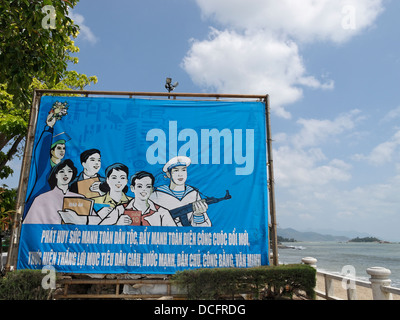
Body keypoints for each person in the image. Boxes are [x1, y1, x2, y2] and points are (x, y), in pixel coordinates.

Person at [150, 156, 211, 227]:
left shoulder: (193, 193)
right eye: (176, 170)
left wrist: (198, 215)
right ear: (168, 174)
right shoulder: (156, 194)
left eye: (183, 170)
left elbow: (204, 228)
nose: (180, 174)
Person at [23, 159, 83, 224]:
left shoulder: (80, 198)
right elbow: (30, 225)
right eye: (62, 171)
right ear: (56, 175)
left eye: (69, 171)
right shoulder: (41, 199)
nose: (66, 174)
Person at [109, 171, 177, 226]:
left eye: (148, 186)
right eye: (139, 186)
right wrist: (117, 224)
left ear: (152, 189)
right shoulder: (120, 209)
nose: (144, 190)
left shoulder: (162, 212)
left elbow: (174, 236)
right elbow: (101, 232)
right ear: (132, 188)